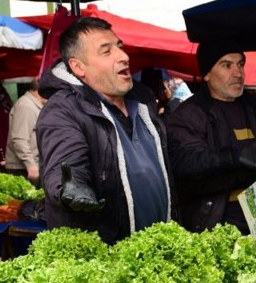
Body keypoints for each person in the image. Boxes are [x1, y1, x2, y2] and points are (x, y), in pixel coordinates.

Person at [36, 16, 174, 244]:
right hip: (107, 259)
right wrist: (70, 187)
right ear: (78, 67)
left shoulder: (143, 102)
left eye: (120, 47)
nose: (124, 57)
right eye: (106, 51)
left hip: (156, 249)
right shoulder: (63, 109)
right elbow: (65, 163)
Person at [166, 43, 256, 233]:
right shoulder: (187, 115)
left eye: (240, 64)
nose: (238, 73)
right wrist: (235, 158)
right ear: (206, 74)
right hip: (212, 224)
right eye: (226, 65)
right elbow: (186, 164)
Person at [6, 79, 45, 183]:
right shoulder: (26, 106)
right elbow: (19, 139)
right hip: (23, 169)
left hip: (31, 167)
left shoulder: (34, 105)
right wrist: (30, 164)